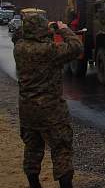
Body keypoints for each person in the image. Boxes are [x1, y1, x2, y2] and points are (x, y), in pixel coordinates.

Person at [13, 14, 83, 188]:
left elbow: (18, 35)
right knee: (61, 150)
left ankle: (34, 185)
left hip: (27, 110)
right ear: (42, 29)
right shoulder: (50, 51)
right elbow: (76, 47)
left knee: (32, 149)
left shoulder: (19, 48)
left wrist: (41, 28)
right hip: (51, 111)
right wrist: (63, 28)